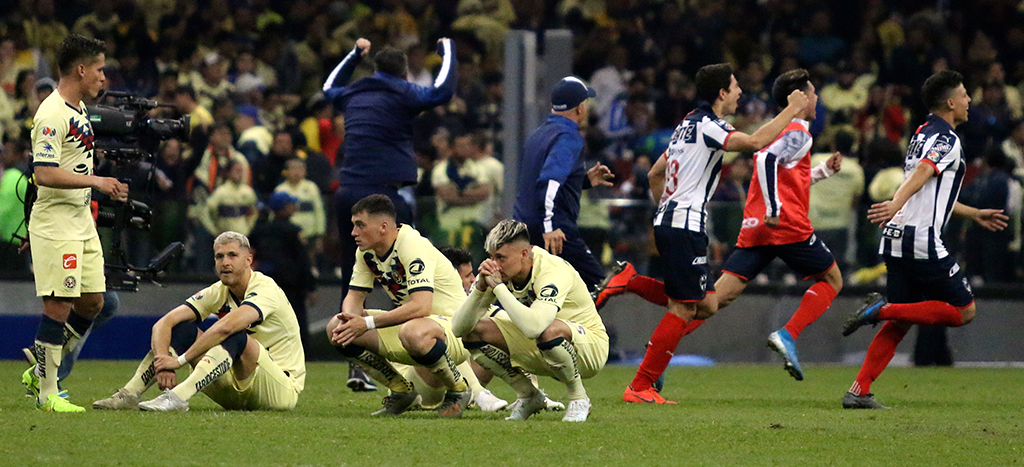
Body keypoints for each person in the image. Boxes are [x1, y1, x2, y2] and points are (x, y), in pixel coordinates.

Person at [640, 69, 846, 390]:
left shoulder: (694, 125)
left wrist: (821, 172)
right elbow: (761, 155)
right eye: (813, 92)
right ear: (800, 97)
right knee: (833, 279)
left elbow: (789, 177)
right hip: (783, 224)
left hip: (754, 226)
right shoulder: (797, 130)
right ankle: (787, 334)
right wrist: (776, 210)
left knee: (711, 301)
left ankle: (659, 355)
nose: (817, 98)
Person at [841, 70, 1009, 409]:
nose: (968, 101)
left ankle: (858, 391)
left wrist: (974, 212)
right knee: (964, 311)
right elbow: (922, 175)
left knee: (902, 320)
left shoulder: (921, 133)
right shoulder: (947, 139)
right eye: (964, 95)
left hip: (895, 237)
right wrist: (895, 203)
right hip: (920, 239)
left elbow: (932, 193)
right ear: (950, 102)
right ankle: (880, 308)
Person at [324, 37, 456, 390]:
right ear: (403, 73)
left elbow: (328, 87)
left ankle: (356, 363)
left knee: (353, 279)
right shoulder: (402, 92)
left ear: (375, 69)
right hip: (384, 196)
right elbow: (442, 92)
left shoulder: (354, 92)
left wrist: (353, 55)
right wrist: (448, 52)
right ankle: (431, 341)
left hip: (347, 190)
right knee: (414, 269)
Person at [21, 34, 128, 413]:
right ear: (81, 69)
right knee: (59, 303)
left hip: (80, 220)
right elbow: (45, 173)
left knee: (94, 302)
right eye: (99, 69)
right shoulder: (51, 113)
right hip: (58, 222)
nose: (104, 77)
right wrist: (97, 182)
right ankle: (48, 391)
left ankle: (41, 364)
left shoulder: (77, 109)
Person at [93, 232, 305, 411]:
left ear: (249, 259)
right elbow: (163, 323)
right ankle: (128, 395)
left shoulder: (265, 288)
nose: (225, 263)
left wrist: (179, 361)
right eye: (219, 257)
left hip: (280, 389)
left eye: (233, 255)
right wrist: (162, 361)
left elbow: (227, 327)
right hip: (234, 388)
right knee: (182, 329)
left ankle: (177, 397)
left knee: (235, 335)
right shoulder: (219, 290)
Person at [326, 194, 472, 418]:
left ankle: (459, 390)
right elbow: (354, 297)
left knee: (413, 330)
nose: (353, 232)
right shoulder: (365, 252)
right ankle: (401, 390)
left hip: (454, 330)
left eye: (360, 225)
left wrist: (365, 323)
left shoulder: (412, 245)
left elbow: (422, 307)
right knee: (335, 326)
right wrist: (349, 321)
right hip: (412, 329)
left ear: (383, 226)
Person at [453, 220, 609, 422]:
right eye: (491, 257)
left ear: (524, 254)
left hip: (589, 348)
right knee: (474, 332)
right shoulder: (502, 272)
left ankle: (579, 398)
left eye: (501, 258)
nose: (495, 265)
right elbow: (458, 328)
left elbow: (534, 327)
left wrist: (499, 288)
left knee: (547, 330)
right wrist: (481, 289)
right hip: (543, 347)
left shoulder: (552, 270)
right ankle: (529, 395)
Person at [512, 76, 614, 289]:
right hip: (555, 229)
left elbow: (540, 180)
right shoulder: (569, 136)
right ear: (579, 108)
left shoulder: (538, 135)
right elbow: (548, 181)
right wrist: (550, 225)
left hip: (525, 226)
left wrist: (584, 180)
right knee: (597, 285)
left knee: (544, 291)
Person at [249, 192, 316, 352]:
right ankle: (301, 353)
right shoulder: (293, 231)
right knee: (296, 319)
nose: (293, 207)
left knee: (268, 319)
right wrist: (311, 287)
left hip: (268, 282)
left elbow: (250, 252)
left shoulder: (261, 229)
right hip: (292, 284)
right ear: (283, 208)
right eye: (290, 204)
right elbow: (303, 261)